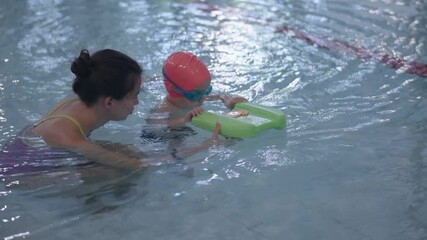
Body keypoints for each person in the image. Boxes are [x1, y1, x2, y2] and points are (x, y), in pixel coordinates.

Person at [0, 49, 222, 176]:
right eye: (134, 95)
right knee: (123, 172)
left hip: (39, 149)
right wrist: (203, 147)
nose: (138, 101)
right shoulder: (69, 136)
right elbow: (137, 166)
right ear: (109, 102)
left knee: (129, 150)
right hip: (21, 173)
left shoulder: (83, 102)